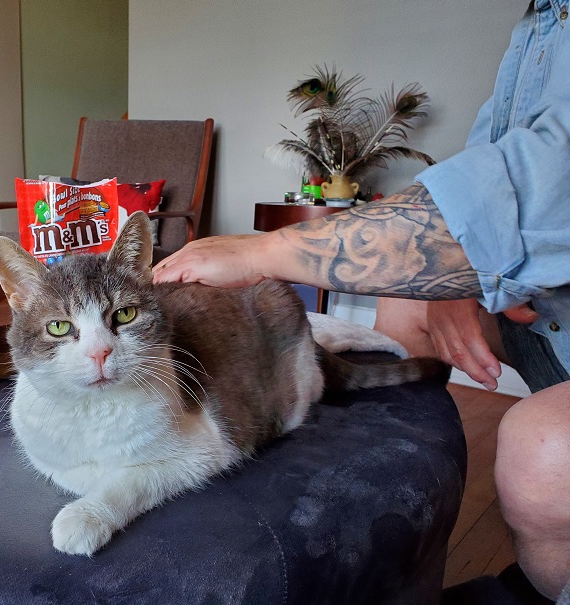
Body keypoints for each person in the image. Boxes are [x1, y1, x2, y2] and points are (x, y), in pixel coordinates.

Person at [152, 1, 570, 601]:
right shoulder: (539, 21)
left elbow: (542, 192)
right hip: (547, 311)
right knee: (406, 306)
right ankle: (406, 524)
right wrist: (459, 281)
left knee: (544, 451)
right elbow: (487, 164)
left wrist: (258, 252)